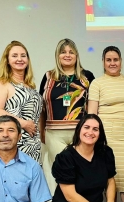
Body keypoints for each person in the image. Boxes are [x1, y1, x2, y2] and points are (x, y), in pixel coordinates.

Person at [49, 114, 122, 202]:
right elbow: (70, 196)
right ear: (79, 130)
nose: (90, 132)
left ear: (100, 133)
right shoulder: (65, 158)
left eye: (95, 129)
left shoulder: (105, 153)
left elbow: (110, 180)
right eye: (86, 127)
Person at [88, 46, 124, 202]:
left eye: (116, 59)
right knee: (106, 179)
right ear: (103, 62)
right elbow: (92, 114)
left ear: (121, 61)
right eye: (108, 60)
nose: (112, 63)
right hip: (105, 137)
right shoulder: (97, 83)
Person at [39, 38, 95, 193]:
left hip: (81, 133)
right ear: (57, 56)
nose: (67, 55)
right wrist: (41, 132)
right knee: (61, 174)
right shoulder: (49, 76)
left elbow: (93, 108)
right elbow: (42, 109)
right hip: (54, 135)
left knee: (82, 173)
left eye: (71, 52)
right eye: (63, 52)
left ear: (77, 55)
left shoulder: (87, 77)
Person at [0, 41, 42, 163]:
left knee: (32, 180)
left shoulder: (30, 86)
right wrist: (23, 123)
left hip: (33, 145)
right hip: (12, 143)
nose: (19, 59)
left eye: (23, 56)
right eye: (14, 56)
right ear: (7, 60)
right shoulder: (1, 83)